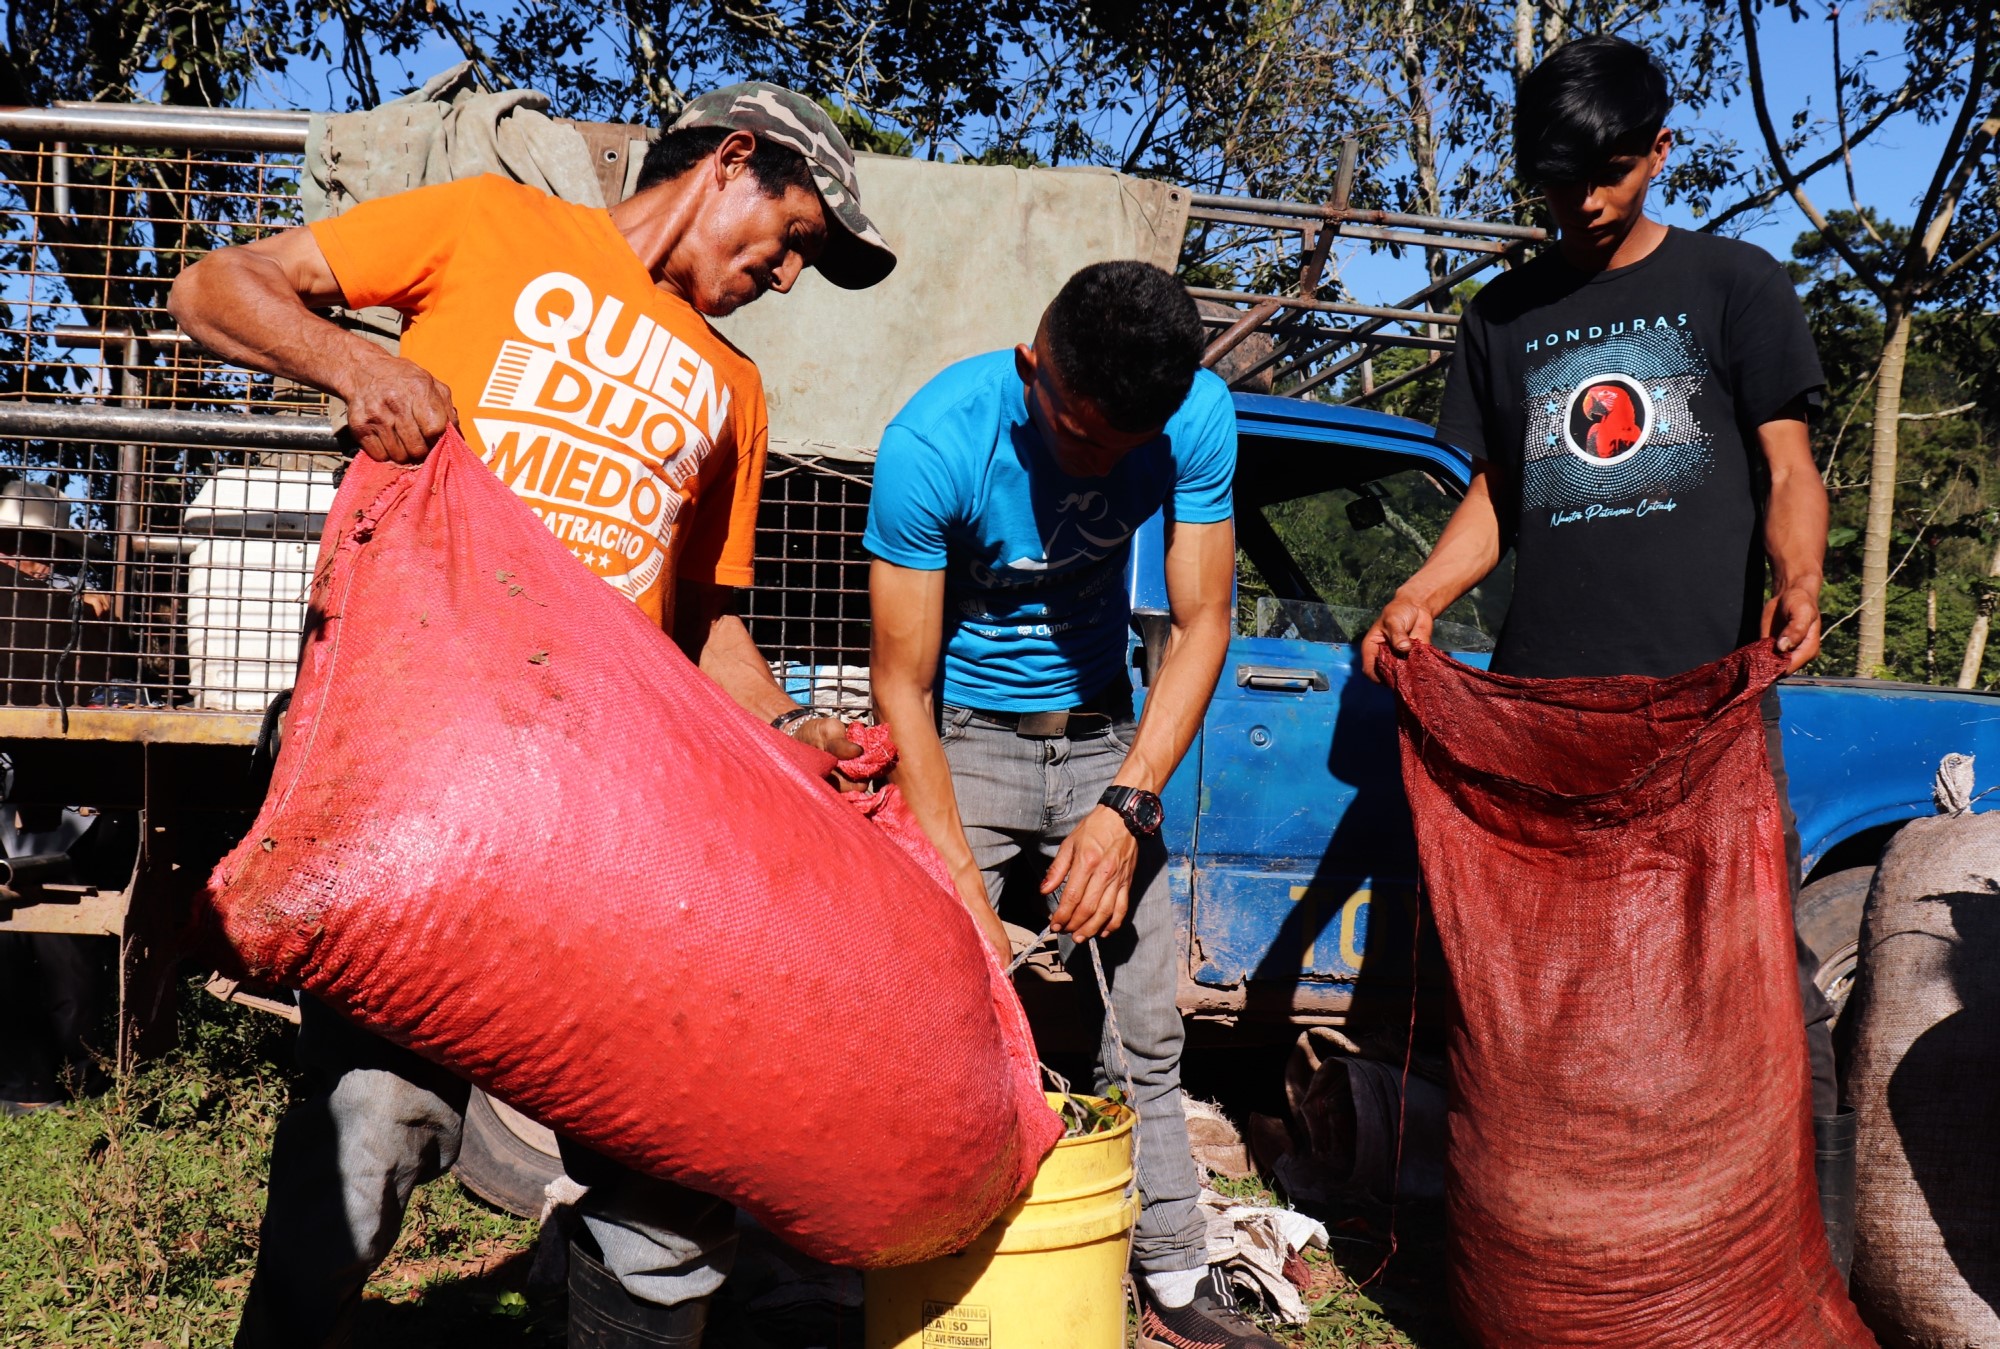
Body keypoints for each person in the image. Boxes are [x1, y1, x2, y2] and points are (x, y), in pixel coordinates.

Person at [170, 82, 896, 1348]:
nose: (787, 278)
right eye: (792, 239)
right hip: (417, 770)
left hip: (599, 813)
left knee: (665, 1150)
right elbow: (214, 286)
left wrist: (793, 728)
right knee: (381, 1113)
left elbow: (705, 623)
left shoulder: (735, 386)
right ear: (733, 161)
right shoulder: (487, 225)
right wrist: (355, 362)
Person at [1357, 35, 1851, 1272]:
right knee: (1549, 993)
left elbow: (1788, 464)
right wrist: (1416, 590)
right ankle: (1562, 1262)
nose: (1580, 201)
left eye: (1610, 171)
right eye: (1554, 179)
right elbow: (1493, 496)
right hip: (1541, 714)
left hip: (1702, 710)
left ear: (1659, 152)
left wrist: (1798, 575)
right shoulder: (1504, 315)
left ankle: (1803, 1265)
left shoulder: (1735, 286)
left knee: (1748, 974)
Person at [868, 261, 1280, 1349]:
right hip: (962, 736)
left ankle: (1174, 1273)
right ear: (1030, 368)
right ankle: (870, 1256)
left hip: (1101, 731)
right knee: (913, 1004)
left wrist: (1126, 804)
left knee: (1145, 1021)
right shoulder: (934, 442)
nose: (1091, 464)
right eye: (1073, 433)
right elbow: (899, 684)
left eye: (1117, 449)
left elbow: (1201, 623)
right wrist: (956, 875)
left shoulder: (1193, 414)